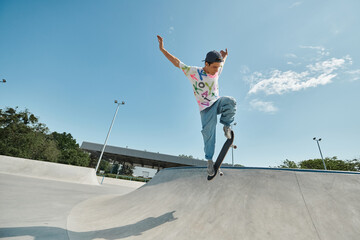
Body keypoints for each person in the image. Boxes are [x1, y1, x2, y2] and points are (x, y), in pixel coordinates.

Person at [157, 35, 236, 176]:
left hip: (216, 103)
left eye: (218, 67)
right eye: (214, 67)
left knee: (230, 101)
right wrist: (163, 49)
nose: (217, 70)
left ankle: (226, 126)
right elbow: (176, 62)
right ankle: (210, 161)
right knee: (208, 134)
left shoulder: (217, 69)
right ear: (206, 64)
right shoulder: (193, 72)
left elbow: (222, 62)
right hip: (205, 109)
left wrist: (225, 56)